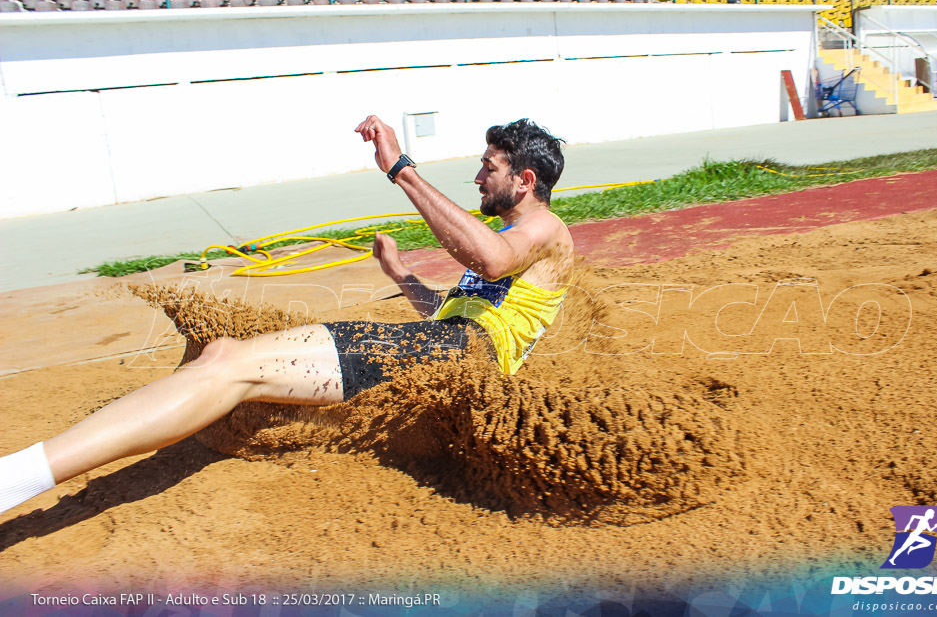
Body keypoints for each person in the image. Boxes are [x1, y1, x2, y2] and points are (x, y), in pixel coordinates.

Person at [0, 115, 575, 517]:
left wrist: (400, 167)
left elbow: (489, 262)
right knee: (226, 359)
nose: (478, 177)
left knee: (231, 364)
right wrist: (399, 276)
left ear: (525, 181)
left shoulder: (545, 229)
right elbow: (456, 309)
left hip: (462, 357)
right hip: (444, 351)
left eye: (488, 167)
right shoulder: (516, 238)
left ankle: (15, 478)